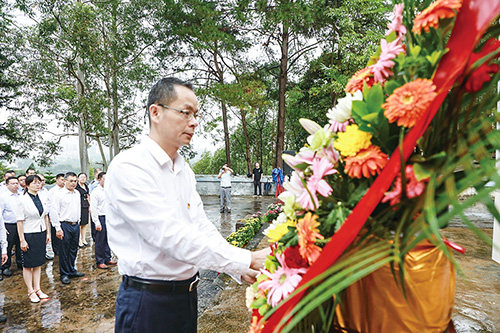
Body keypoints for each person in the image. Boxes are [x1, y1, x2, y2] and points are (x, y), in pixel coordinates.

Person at [105, 77, 266, 332]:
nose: (194, 122)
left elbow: (200, 226)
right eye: (185, 113)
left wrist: (238, 266)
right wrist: (245, 257)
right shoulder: (130, 166)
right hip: (148, 303)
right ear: (155, 112)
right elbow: (171, 237)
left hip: (186, 296)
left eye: (196, 114)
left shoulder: (183, 169)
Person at [15, 175, 51, 303]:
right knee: (28, 264)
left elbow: (45, 216)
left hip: (40, 232)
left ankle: (38, 288)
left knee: (38, 263)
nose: (38, 184)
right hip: (28, 234)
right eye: (35, 183)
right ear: (28, 184)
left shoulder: (42, 197)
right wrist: (22, 240)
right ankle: (30, 291)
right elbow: (19, 221)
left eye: (39, 182)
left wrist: (47, 233)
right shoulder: (22, 200)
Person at [50, 172, 84, 285]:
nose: (73, 183)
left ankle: (71, 270)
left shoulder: (77, 193)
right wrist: (58, 228)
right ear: (65, 181)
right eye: (71, 181)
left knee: (74, 249)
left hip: (75, 224)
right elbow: (54, 211)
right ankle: (64, 274)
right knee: (64, 251)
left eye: (75, 181)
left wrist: (78, 221)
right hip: (64, 224)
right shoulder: (59, 195)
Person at [90, 172, 116, 269]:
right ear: (99, 179)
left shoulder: (109, 191)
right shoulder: (95, 192)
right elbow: (94, 208)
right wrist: (96, 222)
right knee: (100, 240)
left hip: (109, 217)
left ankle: (107, 258)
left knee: (107, 239)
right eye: (104, 179)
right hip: (100, 217)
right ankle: (100, 260)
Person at [0, 176, 21, 278]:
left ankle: (20, 263)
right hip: (9, 225)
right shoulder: (3, 197)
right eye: (13, 183)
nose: (15, 185)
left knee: (20, 244)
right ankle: (5, 266)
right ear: (6, 185)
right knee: (7, 246)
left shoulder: (21, 195)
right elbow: (1, 213)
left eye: (17, 183)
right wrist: (3, 227)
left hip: (20, 224)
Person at [48, 173, 65, 256]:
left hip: (64, 216)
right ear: (57, 180)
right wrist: (51, 215)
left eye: (64, 180)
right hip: (55, 215)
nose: (63, 181)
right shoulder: (52, 191)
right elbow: (50, 204)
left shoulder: (66, 190)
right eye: (62, 179)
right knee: (55, 233)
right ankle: (56, 250)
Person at [75, 173, 90, 248]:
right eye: (81, 177)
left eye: (84, 177)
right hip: (79, 206)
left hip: (85, 206)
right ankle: (79, 240)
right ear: (78, 178)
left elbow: (88, 196)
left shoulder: (86, 186)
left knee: (84, 224)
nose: (83, 179)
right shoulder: (76, 187)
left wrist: (89, 206)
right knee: (80, 224)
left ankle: (84, 239)